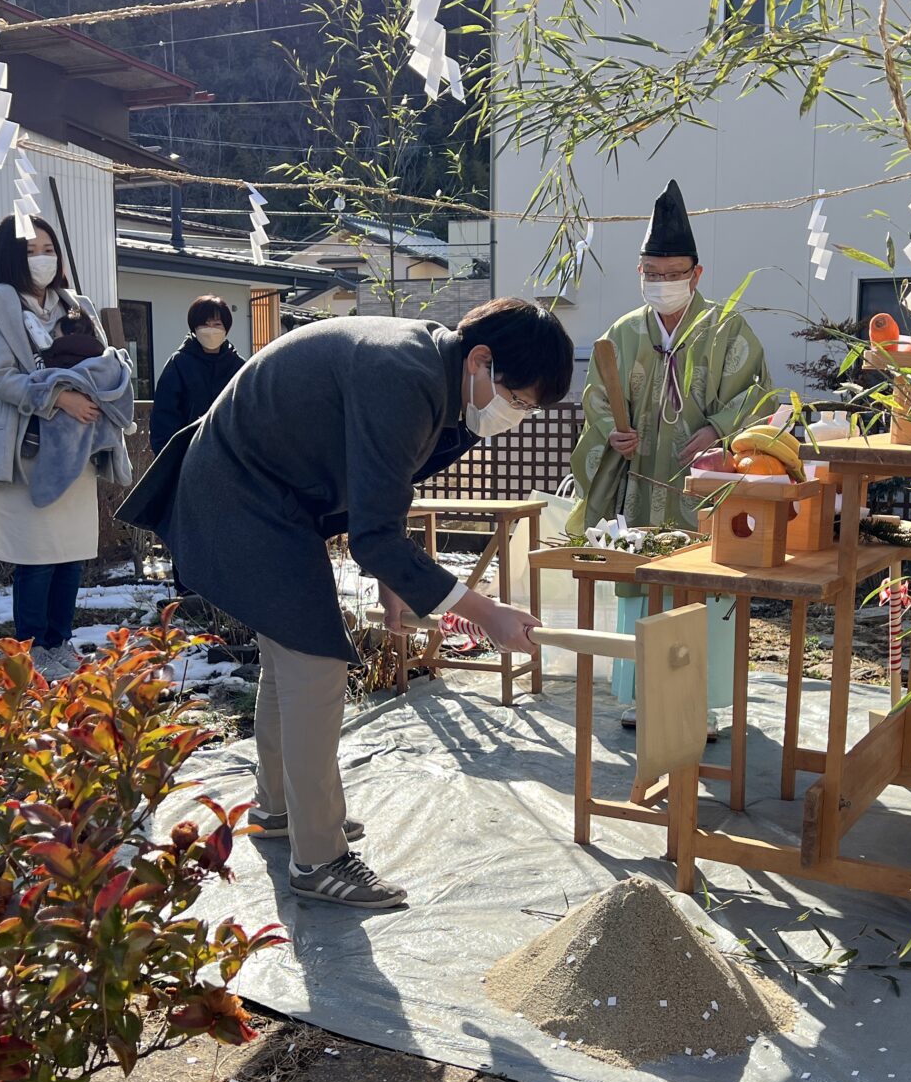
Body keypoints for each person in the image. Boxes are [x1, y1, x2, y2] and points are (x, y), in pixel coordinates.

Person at [119, 299, 575, 909]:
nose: (515, 417)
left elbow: (383, 497)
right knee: (316, 665)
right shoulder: (405, 374)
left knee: (290, 661)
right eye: (518, 400)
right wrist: (487, 613)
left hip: (262, 494)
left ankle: (279, 808)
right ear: (482, 360)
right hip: (240, 498)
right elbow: (375, 535)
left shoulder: (437, 376)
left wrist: (396, 586)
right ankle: (319, 858)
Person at [569, 179, 774, 731]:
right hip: (640, 487)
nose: (661, 285)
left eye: (672, 275)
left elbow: (759, 394)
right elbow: (597, 400)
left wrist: (717, 428)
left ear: (696, 275)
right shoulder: (623, 333)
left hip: (703, 487)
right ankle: (639, 696)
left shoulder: (726, 328)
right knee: (641, 587)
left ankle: (700, 704)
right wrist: (615, 434)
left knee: (704, 590)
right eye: (651, 276)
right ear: (641, 274)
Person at [0, 214, 137, 677]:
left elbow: (104, 362)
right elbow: (2, 378)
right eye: (31, 250)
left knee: (71, 553)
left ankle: (60, 642)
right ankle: (33, 650)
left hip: (78, 447)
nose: (43, 259)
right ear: (8, 255)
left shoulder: (76, 305)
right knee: (35, 555)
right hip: (28, 448)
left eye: (49, 249)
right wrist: (59, 397)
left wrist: (98, 397)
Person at [149, 295, 243, 453]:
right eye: (205, 325)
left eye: (217, 324)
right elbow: (164, 415)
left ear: (226, 328)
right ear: (194, 328)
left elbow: (248, 413)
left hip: (231, 457)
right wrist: (170, 457)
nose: (211, 329)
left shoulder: (239, 366)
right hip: (187, 454)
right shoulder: (179, 364)